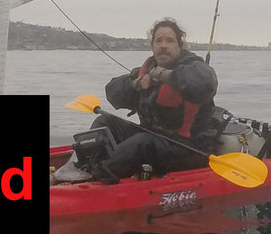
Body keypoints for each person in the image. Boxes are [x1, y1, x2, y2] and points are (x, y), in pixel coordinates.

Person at [68, 18, 222, 182]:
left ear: (180, 45)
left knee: (141, 143)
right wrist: (136, 84)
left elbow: (204, 83)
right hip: (153, 138)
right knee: (105, 121)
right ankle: (85, 165)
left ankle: (97, 179)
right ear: (152, 46)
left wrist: (163, 75)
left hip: (189, 147)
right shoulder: (146, 70)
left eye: (170, 40)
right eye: (158, 41)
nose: (163, 45)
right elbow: (112, 91)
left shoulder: (195, 68)